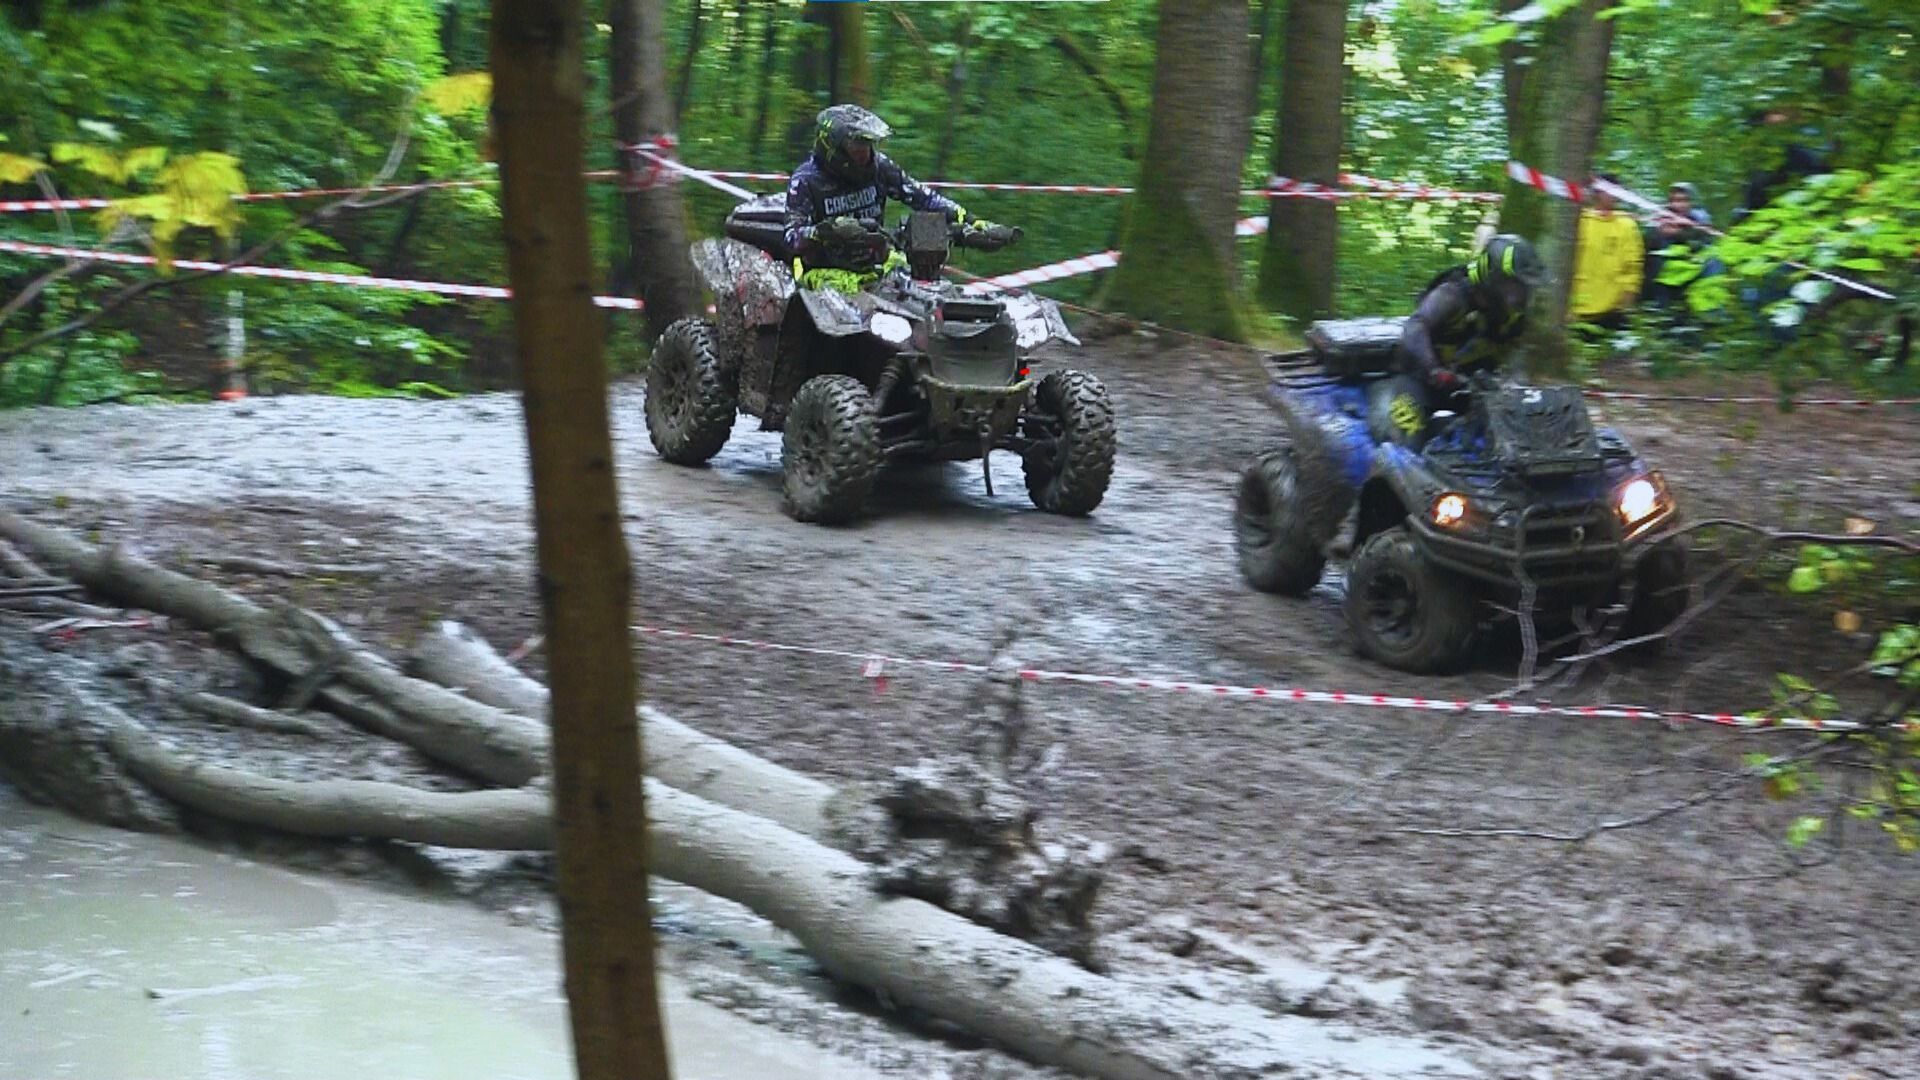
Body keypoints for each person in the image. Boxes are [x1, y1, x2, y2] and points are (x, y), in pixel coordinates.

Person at [783, 104, 984, 292]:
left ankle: (941, 307)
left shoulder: (879, 167)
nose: (864, 153)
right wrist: (827, 231)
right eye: (857, 147)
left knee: (926, 228)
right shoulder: (806, 180)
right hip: (827, 272)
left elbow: (924, 198)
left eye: (869, 145)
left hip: (878, 262)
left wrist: (970, 221)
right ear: (832, 147)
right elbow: (791, 238)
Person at [1377, 234, 1546, 443]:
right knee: (1406, 442)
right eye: (1514, 286)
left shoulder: (1512, 317)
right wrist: (1434, 370)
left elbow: (1515, 360)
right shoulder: (1452, 295)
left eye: (1524, 288)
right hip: (1417, 383)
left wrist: (1513, 384)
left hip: (1470, 393)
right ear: (1493, 277)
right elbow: (1415, 326)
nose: (1520, 296)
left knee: (1520, 441)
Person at [1568, 176, 1644, 330]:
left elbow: (1633, 264)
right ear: (1598, 191)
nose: (1614, 195)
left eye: (1618, 191)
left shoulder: (1627, 225)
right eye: (1610, 190)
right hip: (1579, 305)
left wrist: (1628, 296)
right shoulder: (1580, 220)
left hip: (1613, 308)